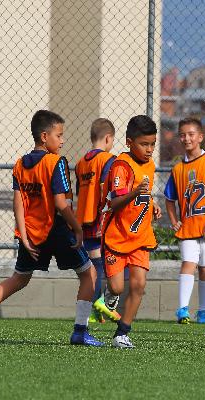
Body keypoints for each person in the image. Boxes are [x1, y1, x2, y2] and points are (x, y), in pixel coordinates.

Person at [0, 110, 103, 347]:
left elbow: (18, 202)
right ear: (45, 136)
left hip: (32, 234)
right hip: (57, 229)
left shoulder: (19, 164)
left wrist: (24, 237)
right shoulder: (55, 162)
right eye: (59, 135)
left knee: (18, 279)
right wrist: (77, 228)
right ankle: (80, 330)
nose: (62, 140)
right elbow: (60, 204)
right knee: (89, 274)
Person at [100, 115, 161, 348]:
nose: (149, 149)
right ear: (128, 142)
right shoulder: (121, 166)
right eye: (144, 144)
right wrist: (136, 193)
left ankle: (122, 333)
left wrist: (152, 205)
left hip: (141, 236)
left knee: (138, 285)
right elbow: (115, 203)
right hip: (117, 236)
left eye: (153, 144)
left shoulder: (151, 165)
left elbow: (144, 194)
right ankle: (111, 292)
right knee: (117, 287)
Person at [164, 118, 205, 324]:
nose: (186, 138)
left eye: (191, 134)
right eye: (182, 134)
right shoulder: (177, 169)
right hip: (188, 228)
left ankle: (203, 311)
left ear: (200, 137)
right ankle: (182, 309)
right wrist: (174, 220)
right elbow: (169, 198)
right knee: (188, 264)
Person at [75, 118, 120, 323]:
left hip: (83, 219)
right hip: (101, 218)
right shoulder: (109, 160)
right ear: (108, 138)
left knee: (93, 266)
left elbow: (78, 192)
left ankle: (94, 312)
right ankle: (99, 304)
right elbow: (108, 190)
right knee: (105, 264)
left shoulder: (80, 163)